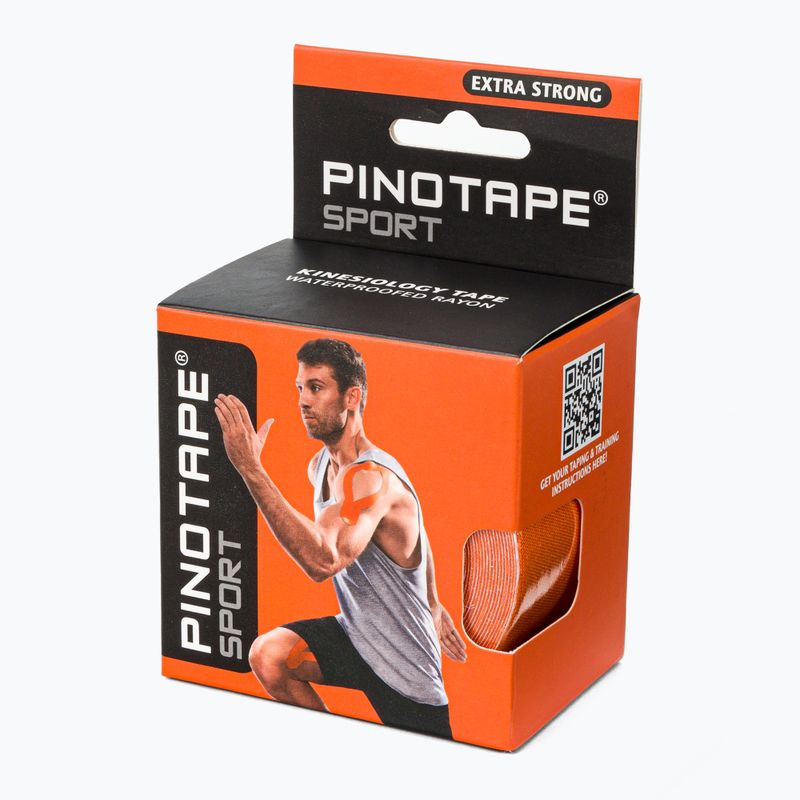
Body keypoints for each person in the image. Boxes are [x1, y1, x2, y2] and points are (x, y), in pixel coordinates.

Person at [214, 337, 466, 738]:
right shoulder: (320, 466)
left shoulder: (372, 478)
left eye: (316, 388)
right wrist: (433, 601)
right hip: (356, 636)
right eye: (300, 388)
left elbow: (324, 560)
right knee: (269, 655)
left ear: (352, 397)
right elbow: (416, 527)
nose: (303, 400)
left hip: (405, 668)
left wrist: (251, 469)